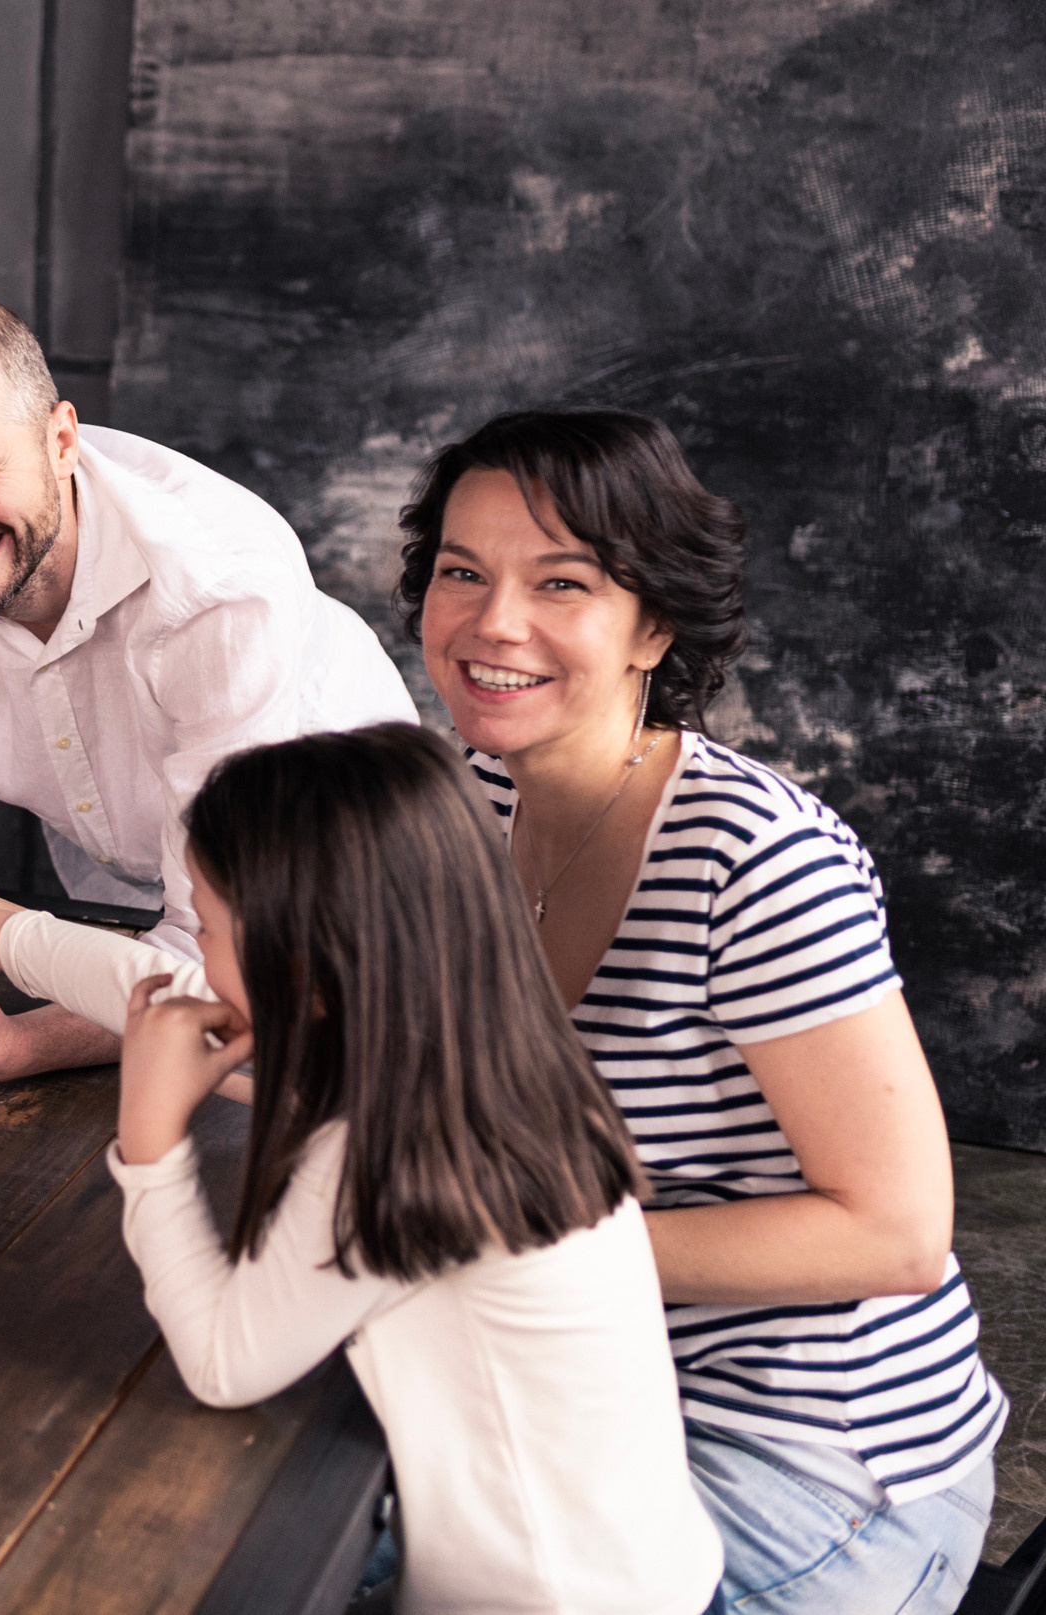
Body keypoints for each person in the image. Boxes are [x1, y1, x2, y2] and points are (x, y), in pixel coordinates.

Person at [0, 724, 723, 1613]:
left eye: (206, 926)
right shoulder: (476, 1057)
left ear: (304, 958)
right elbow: (153, 989)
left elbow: (222, 1360)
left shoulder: (386, 1150)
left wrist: (153, 1140)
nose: (193, 954)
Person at [401, 409, 1002, 1613]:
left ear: (653, 624)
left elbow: (894, 1233)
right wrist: (44, 1007)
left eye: (558, 582)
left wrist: (513, 1259)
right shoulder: (463, 795)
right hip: (591, 1394)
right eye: (461, 572)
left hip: (818, 1464)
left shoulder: (753, 857)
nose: (490, 622)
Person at [0, 292, 416, 1088]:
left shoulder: (218, 590)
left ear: (61, 439)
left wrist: (22, 1045)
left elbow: (223, 977)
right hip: (117, 911)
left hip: (347, 915)